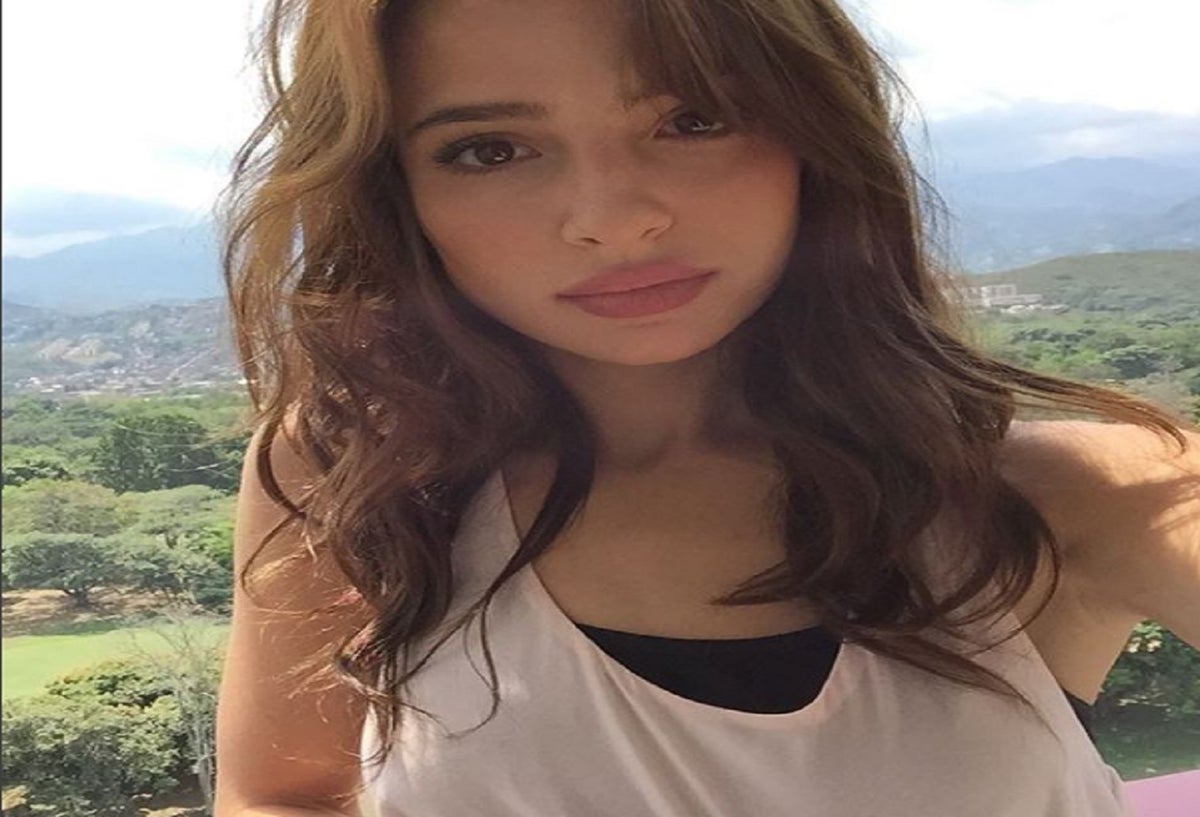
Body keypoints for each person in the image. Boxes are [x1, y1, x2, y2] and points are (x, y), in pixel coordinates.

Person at [212, 0, 1200, 815]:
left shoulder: (1072, 492)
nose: (613, 219)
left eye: (693, 120)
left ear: (817, 134)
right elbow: (285, 792)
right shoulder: (361, 466)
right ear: (395, 191)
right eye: (490, 150)